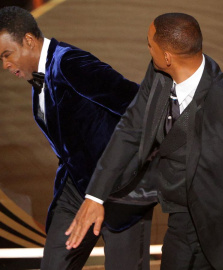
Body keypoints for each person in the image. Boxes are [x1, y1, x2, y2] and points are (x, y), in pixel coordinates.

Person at [65, 13, 223, 270]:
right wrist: (95, 197)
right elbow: (131, 128)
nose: (147, 48)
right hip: (180, 219)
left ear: (167, 57)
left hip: (221, 225)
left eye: (150, 44)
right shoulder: (158, 74)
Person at [0, 6, 155, 270]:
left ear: (28, 40)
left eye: (7, 54)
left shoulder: (71, 64)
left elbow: (137, 103)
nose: (5, 65)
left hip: (120, 189)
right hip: (75, 188)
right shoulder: (41, 77)